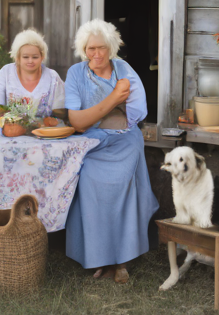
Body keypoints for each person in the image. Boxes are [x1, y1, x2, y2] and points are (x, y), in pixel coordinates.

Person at [64, 18, 159, 283]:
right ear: (84, 49)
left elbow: (136, 115)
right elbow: (77, 122)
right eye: (91, 48)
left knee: (122, 185)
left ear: (112, 48)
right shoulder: (75, 74)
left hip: (125, 140)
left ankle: (122, 260)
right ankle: (100, 259)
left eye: (102, 48)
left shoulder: (124, 69)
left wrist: (96, 114)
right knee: (90, 181)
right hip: (92, 143)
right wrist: (114, 100)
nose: (96, 54)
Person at [0, 29, 65, 120]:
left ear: (42, 57)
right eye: (25, 57)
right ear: (17, 57)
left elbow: (60, 113)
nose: (30, 61)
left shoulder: (53, 77)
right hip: (11, 131)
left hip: (44, 131)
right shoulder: (6, 72)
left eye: (35, 57)